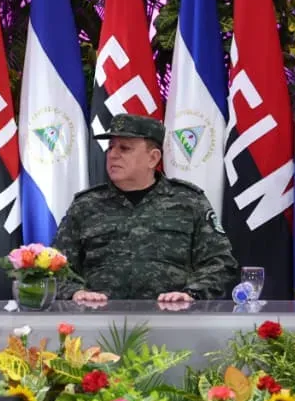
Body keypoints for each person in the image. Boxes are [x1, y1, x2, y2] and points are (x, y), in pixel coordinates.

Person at [53, 114, 238, 304]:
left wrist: (192, 293)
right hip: (100, 322)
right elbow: (54, 266)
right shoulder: (85, 205)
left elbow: (220, 263)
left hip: (174, 320)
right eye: (110, 148)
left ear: (153, 158)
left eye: (124, 148)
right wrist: (75, 292)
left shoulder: (189, 201)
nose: (113, 155)